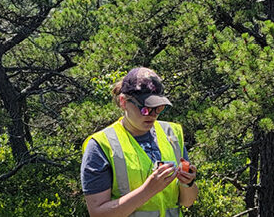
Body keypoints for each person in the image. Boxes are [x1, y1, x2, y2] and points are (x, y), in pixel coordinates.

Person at [81, 67, 198, 216]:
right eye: (145, 109)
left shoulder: (172, 134)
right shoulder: (101, 145)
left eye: (158, 108)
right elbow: (98, 213)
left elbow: (187, 202)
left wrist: (188, 183)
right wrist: (148, 190)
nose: (152, 115)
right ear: (124, 102)